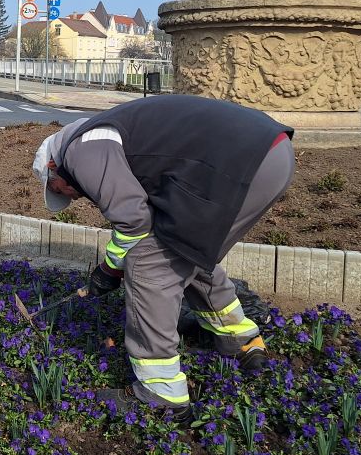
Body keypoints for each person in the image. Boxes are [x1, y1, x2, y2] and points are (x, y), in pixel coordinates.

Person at [32, 95, 294, 424]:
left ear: (53, 166)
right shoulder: (103, 134)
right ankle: (241, 340)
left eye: (58, 189)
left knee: (148, 265)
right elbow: (146, 215)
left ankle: (161, 393)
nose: (68, 196)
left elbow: (133, 221)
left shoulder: (80, 149)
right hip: (269, 153)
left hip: (240, 164)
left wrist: (109, 268)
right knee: (182, 251)